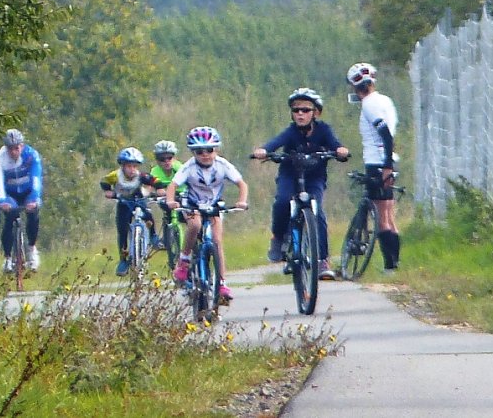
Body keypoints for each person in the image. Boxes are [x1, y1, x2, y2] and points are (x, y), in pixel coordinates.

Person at [252, 88, 349, 280]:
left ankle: (322, 261)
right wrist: (264, 150)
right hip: (290, 175)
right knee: (282, 201)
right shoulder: (291, 132)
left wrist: (340, 150)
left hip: (314, 178)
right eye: (296, 110)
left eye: (305, 110)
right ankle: (278, 239)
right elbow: (276, 142)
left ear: (316, 113)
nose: (300, 114)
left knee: (317, 211)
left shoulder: (323, 130)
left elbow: (335, 144)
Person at [166, 126, 249, 302]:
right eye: (199, 151)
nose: (205, 154)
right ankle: (184, 259)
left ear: (216, 149)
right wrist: (170, 201)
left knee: (217, 242)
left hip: (214, 206)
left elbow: (241, 184)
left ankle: (222, 283)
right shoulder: (189, 167)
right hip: (193, 203)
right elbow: (173, 185)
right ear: (193, 153)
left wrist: (242, 201)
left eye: (209, 150)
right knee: (194, 225)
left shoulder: (222, 165)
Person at [347, 62, 400, 271]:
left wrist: (385, 164)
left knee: (382, 219)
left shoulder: (369, 105)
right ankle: (394, 264)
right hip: (388, 160)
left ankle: (390, 266)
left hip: (377, 162)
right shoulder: (385, 100)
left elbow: (385, 134)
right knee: (389, 215)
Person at [99, 146, 160, 276]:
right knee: (122, 230)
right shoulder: (115, 176)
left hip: (138, 200)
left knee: (148, 215)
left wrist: (158, 189)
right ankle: (123, 260)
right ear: (122, 166)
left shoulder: (141, 176)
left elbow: (155, 181)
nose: (132, 170)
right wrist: (109, 192)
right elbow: (104, 181)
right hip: (124, 203)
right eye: (128, 166)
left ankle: (154, 236)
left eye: (135, 166)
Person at [0, 128, 43, 273]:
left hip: (27, 192)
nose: (14, 152)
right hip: (9, 194)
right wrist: (1, 201)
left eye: (17, 148)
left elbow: (36, 179)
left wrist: (34, 199)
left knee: (33, 214)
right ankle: (8, 258)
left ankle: (32, 250)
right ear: (5, 148)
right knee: (10, 219)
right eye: (10, 149)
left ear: (22, 145)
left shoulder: (32, 155)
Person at [148, 140, 186, 249]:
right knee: (168, 215)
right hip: (165, 200)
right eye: (162, 159)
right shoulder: (155, 171)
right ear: (157, 160)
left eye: (169, 158)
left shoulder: (180, 168)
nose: (166, 161)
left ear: (174, 157)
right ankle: (166, 240)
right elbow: (150, 187)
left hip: (182, 197)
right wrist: (154, 191)